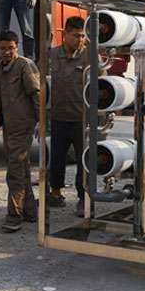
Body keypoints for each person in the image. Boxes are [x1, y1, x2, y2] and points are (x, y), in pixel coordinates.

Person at [0, 30, 41, 232]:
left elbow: (36, 94)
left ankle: (14, 216)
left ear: (17, 47)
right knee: (21, 167)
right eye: (3, 48)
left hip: (23, 126)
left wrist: (41, 121)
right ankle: (30, 211)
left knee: (14, 171)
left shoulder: (25, 66)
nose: (7, 52)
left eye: (11, 48)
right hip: (8, 126)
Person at [48, 17, 97, 217]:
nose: (80, 40)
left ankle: (84, 198)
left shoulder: (90, 56)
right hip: (58, 117)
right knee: (56, 158)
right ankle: (55, 194)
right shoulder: (51, 55)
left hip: (81, 120)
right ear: (65, 34)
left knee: (84, 161)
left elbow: (102, 84)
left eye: (83, 36)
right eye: (76, 35)